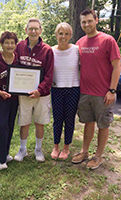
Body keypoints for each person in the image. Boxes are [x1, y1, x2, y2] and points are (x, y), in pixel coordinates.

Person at [71, 9, 121, 169]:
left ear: (96, 20)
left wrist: (112, 90)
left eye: (89, 21)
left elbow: (117, 66)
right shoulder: (80, 43)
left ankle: (98, 156)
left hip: (103, 94)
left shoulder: (108, 40)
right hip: (85, 92)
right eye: (83, 22)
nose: (86, 24)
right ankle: (84, 152)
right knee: (88, 123)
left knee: (103, 125)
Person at [14, 18, 54, 162]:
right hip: (24, 93)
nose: (33, 31)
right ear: (26, 30)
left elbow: (49, 75)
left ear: (40, 31)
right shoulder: (19, 46)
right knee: (24, 122)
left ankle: (38, 149)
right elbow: (15, 67)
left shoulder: (47, 50)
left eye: (36, 28)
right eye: (30, 28)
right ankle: (22, 149)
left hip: (41, 95)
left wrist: (39, 90)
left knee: (39, 122)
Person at [0, 31, 18, 170]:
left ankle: (5, 154)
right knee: (1, 126)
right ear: (2, 43)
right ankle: (1, 160)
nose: (10, 45)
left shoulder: (17, 58)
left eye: (12, 43)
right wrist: (0, 92)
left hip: (13, 98)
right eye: (7, 42)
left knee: (10, 125)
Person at [50, 22, 80, 160]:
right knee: (57, 120)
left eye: (66, 34)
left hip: (73, 89)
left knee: (69, 120)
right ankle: (56, 146)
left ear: (70, 35)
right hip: (56, 89)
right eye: (61, 33)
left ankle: (66, 147)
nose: (63, 36)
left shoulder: (76, 50)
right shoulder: (51, 51)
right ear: (56, 35)